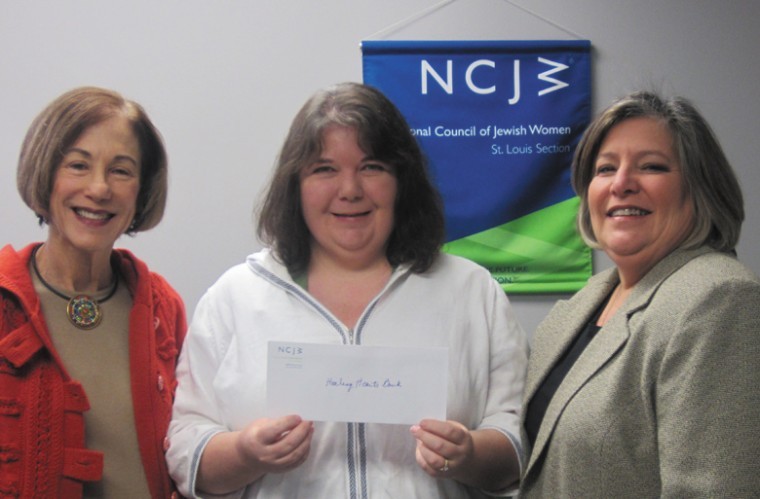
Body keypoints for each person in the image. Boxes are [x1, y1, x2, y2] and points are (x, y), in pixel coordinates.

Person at [166, 82, 528, 498]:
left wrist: (470, 455)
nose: (350, 189)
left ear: (402, 181)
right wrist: (245, 454)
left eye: (372, 166)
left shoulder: (471, 292)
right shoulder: (234, 298)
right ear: (295, 185)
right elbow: (185, 448)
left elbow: (518, 445)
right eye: (324, 169)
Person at [519, 90, 760, 497]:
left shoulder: (719, 299)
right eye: (605, 169)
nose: (622, 185)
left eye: (651, 166)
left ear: (699, 189)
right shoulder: (576, 310)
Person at [0, 86, 187, 497]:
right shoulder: (4, 301)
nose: (100, 189)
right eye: (78, 165)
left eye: (121, 170)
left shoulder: (162, 306)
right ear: (44, 174)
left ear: (141, 190)